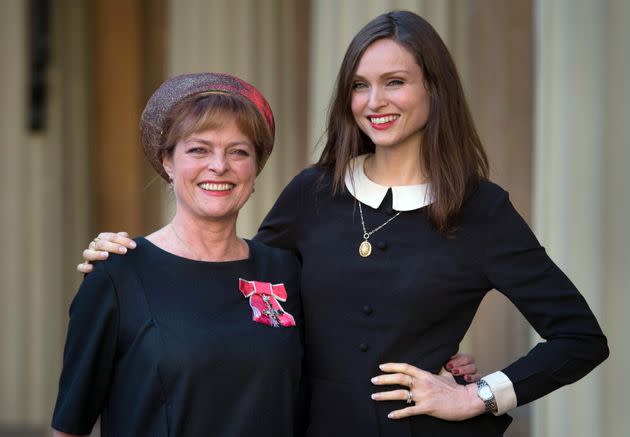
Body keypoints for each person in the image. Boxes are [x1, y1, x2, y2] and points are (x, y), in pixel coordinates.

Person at [76, 10, 608, 437]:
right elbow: (241, 293)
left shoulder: (482, 211)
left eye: (394, 82)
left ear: (434, 90)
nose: (374, 102)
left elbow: (580, 338)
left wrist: (476, 394)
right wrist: (138, 257)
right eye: (359, 85)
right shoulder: (313, 192)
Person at [52, 73, 306, 436]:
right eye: (199, 149)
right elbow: (69, 428)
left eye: (238, 151)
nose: (219, 165)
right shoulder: (117, 275)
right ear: (167, 162)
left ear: (254, 170)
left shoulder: (284, 270)